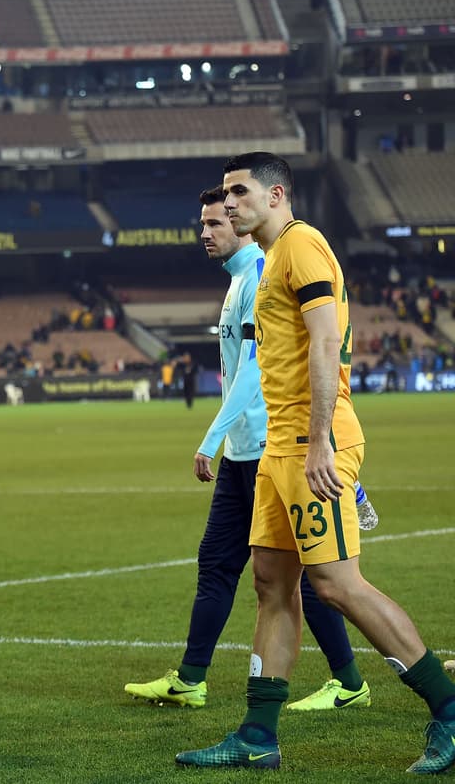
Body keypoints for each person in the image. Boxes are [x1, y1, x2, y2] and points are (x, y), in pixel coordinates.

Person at [177, 152, 455, 773]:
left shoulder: (302, 246)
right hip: (280, 446)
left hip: (310, 444)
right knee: (272, 586)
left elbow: (327, 341)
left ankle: (449, 710)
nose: (227, 204)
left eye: (239, 192)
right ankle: (257, 734)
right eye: (224, 195)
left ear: (276, 195)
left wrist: (322, 439)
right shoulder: (273, 258)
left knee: (336, 584)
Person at [126, 186, 378, 712]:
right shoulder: (241, 280)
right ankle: (192, 677)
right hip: (246, 452)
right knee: (218, 563)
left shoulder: (261, 274)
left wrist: (210, 436)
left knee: (311, 578)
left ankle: (355, 682)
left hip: (272, 447)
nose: (207, 232)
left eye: (216, 222)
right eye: (205, 223)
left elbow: (253, 373)